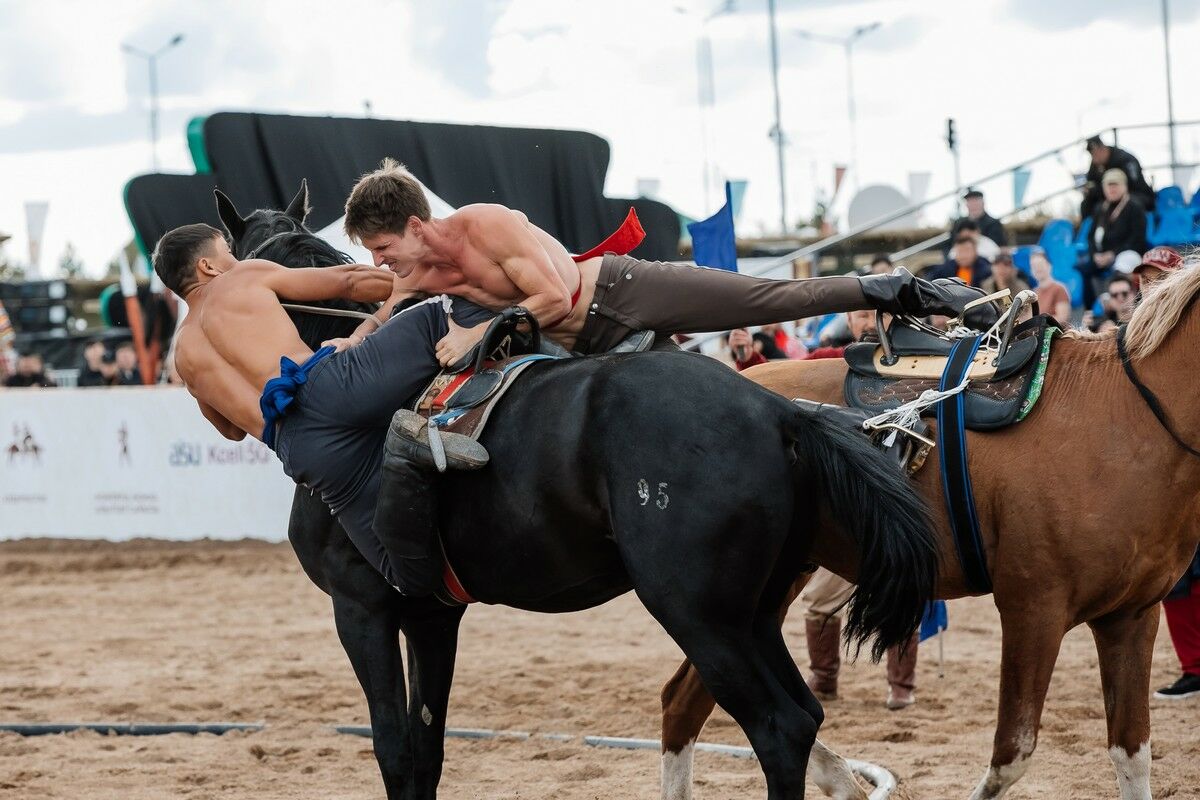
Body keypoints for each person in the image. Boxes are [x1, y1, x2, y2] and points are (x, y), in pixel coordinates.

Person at [341, 158, 983, 363]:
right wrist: (352, 344)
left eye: (382, 248)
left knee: (774, 299)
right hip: (587, 351)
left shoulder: (489, 225)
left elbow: (556, 301)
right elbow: (385, 311)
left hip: (621, 293)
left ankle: (903, 289)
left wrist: (477, 332)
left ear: (416, 226)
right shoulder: (415, 271)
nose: (381, 262)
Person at [153, 222, 492, 598]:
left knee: (410, 579)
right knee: (435, 313)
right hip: (329, 388)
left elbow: (231, 432)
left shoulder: (183, 355)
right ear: (208, 267)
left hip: (301, 450)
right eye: (226, 251)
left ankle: (406, 456)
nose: (235, 258)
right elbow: (349, 282)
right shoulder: (241, 277)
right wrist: (418, 282)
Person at [1080, 169, 1148, 309]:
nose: (1112, 189)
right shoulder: (1101, 208)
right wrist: (1095, 255)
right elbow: (1091, 237)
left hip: (1127, 253)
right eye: (1108, 185)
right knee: (1084, 269)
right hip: (1103, 256)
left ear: (1124, 186)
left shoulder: (1134, 207)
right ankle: (1092, 312)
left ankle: (1126, 307)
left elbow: (1137, 239)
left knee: (1122, 265)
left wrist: (1112, 254)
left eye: (1115, 185)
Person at [1082, 136, 1155, 218]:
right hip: (1110, 197)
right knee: (1087, 204)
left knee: (1127, 205)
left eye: (1096, 153)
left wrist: (1102, 191)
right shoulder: (1096, 163)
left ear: (1103, 149)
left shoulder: (1125, 160)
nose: (1094, 158)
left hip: (1136, 195)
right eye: (1092, 154)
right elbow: (1091, 182)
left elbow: (1133, 185)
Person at [927, 228, 992, 288]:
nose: (963, 255)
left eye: (967, 251)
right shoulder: (947, 268)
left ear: (975, 251)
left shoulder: (986, 269)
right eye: (960, 251)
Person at [949, 189, 1005, 256]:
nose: (973, 205)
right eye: (970, 201)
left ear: (983, 203)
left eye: (976, 201)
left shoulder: (994, 223)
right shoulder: (958, 223)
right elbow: (952, 243)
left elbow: (997, 247)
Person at [1030, 251, 1071, 326]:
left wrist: (1038, 323)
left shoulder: (1059, 288)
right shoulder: (1034, 293)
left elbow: (1062, 318)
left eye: (1040, 264)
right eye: (1034, 266)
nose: (1037, 268)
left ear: (1049, 266)